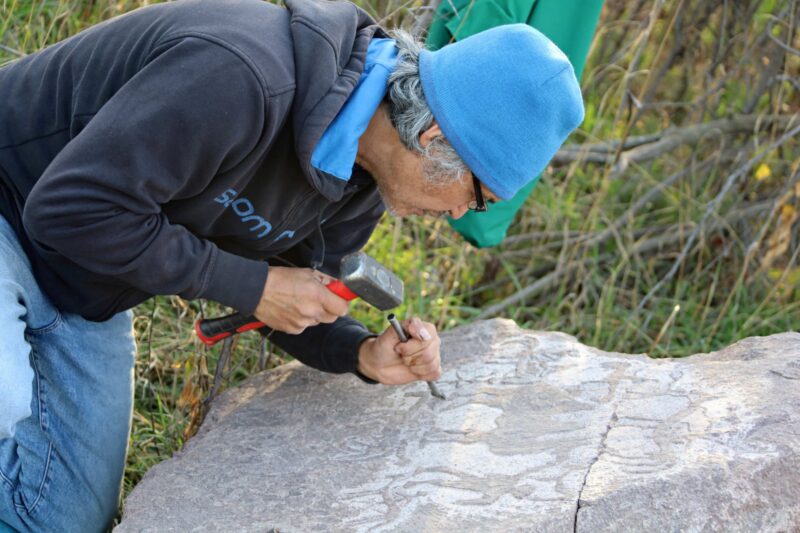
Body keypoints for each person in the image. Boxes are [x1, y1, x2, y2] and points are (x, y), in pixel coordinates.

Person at [0, 0, 584, 530]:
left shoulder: (362, 174)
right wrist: (249, 285)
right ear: (433, 137)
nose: (459, 213)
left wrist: (361, 352)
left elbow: (295, 285)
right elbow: (67, 210)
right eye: (476, 196)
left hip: (88, 287)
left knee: (61, 519)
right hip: (13, 213)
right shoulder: (242, 77)